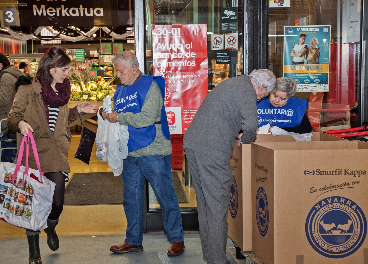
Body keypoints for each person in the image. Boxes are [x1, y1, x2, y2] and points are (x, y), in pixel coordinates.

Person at [7, 47, 98, 264]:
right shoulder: (28, 89)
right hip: (33, 152)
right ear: (51, 69)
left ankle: (51, 224)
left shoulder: (64, 91)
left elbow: (61, 121)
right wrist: (20, 123)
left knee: (57, 201)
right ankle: (34, 251)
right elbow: (12, 118)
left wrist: (79, 111)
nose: (68, 73)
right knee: (33, 202)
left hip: (56, 152)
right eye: (64, 69)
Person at [183, 69, 276, 264]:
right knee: (217, 206)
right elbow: (251, 125)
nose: (260, 99)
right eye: (264, 95)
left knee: (206, 204)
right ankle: (217, 260)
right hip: (212, 149)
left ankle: (210, 255)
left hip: (193, 143)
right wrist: (247, 138)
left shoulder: (233, 82)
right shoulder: (247, 91)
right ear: (261, 87)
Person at [103, 51, 184, 257]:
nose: (118, 75)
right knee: (131, 199)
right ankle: (133, 241)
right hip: (130, 152)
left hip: (154, 151)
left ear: (133, 68)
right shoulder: (120, 90)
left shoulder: (151, 85)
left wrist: (119, 117)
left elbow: (148, 117)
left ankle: (176, 239)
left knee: (165, 196)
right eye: (117, 71)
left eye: (120, 71)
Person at [0, 53, 23, 136]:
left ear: (0, 64)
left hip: (6, 120)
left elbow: (3, 100)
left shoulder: (6, 77)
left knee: (6, 146)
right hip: (13, 118)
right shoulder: (13, 74)